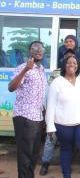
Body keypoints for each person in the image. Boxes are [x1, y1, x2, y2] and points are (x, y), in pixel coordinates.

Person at [46, 55, 80, 178]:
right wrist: (50, 126)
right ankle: (66, 175)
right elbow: (51, 105)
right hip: (63, 123)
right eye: (69, 62)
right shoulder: (57, 82)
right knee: (66, 149)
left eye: (74, 63)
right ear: (64, 65)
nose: (72, 65)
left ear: (78, 66)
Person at [8, 41, 47, 178]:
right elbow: (11, 87)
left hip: (38, 118)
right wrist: (26, 70)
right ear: (29, 51)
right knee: (25, 154)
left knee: (34, 154)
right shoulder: (22, 67)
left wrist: (44, 117)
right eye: (35, 48)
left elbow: (41, 96)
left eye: (41, 48)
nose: (38, 50)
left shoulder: (41, 70)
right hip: (24, 117)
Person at [39, 48, 77, 176]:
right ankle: (45, 163)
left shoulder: (78, 75)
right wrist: (47, 113)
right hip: (56, 114)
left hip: (70, 116)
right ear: (63, 59)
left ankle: (65, 165)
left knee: (68, 143)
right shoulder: (55, 73)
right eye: (67, 57)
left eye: (72, 57)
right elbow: (48, 93)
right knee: (51, 140)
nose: (70, 60)